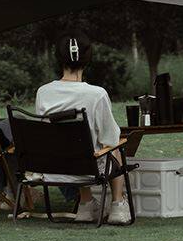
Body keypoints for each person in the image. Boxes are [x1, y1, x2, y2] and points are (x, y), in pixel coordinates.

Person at [34, 36, 131, 226]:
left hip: (53, 169)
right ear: (87, 60)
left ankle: (86, 205)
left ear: (58, 60)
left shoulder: (43, 92)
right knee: (115, 147)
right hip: (87, 168)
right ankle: (118, 205)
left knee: (73, 146)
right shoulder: (97, 94)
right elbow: (110, 137)